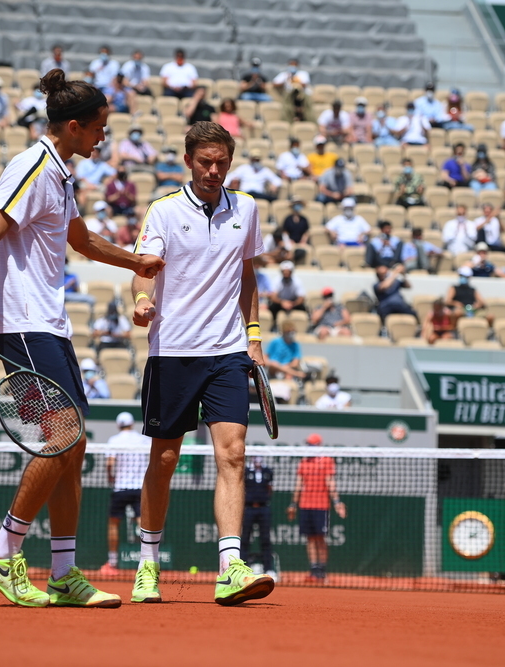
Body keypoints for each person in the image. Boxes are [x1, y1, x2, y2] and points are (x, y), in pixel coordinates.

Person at [0, 71, 164, 609]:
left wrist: (137, 261)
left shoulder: (59, 173)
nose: (103, 137)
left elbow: (81, 240)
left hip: (50, 324)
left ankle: (63, 574)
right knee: (64, 437)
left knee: (74, 448)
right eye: (99, 128)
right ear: (73, 126)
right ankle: (3, 550)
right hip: (23, 321)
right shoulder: (31, 166)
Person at [129, 120, 274, 606]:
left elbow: (246, 275)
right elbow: (144, 270)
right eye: (206, 162)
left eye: (222, 163)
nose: (214, 170)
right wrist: (143, 300)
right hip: (173, 351)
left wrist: (254, 336)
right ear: (189, 160)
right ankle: (148, 564)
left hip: (227, 351)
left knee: (233, 454)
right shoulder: (164, 210)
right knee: (165, 460)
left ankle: (230, 567)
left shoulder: (247, 207)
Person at [287, 433, 346, 582]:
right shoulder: (304, 462)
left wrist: (337, 502)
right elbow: (298, 484)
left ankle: (322, 571)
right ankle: (313, 570)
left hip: (321, 506)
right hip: (305, 505)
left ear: (318, 446)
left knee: (320, 539)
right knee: (310, 539)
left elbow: (330, 483)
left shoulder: (327, 461)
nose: (308, 447)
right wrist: (293, 504)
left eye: (311, 444)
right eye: (308, 444)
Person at [100, 412, 151, 574]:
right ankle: (148, 561)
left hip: (120, 488)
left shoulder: (114, 440)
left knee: (113, 524)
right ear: (132, 424)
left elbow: (110, 463)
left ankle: (112, 562)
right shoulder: (143, 439)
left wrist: (110, 477)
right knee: (143, 523)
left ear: (118, 425)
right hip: (140, 488)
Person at [242, 456, 276, 580]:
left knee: (265, 539)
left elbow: (270, 489)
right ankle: (242, 569)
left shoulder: (268, 472)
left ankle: (269, 569)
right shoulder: (246, 471)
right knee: (245, 539)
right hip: (248, 508)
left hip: (263, 508)